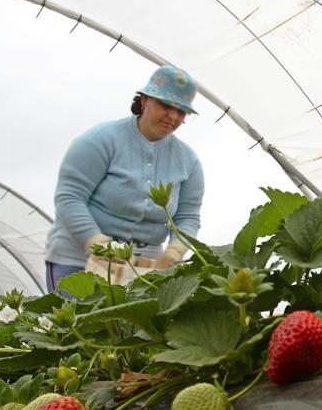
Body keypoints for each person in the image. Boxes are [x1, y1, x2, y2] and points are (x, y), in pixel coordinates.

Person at [43, 64, 205, 293]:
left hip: (144, 266)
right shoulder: (99, 140)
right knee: (76, 327)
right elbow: (69, 197)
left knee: (131, 328)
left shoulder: (188, 161)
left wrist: (173, 253)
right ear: (145, 100)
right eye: (166, 105)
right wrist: (99, 246)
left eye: (181, 111)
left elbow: (188, 216)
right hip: (78, 258)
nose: (173, 116)